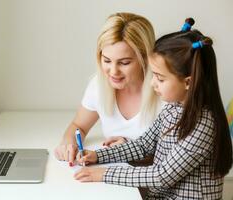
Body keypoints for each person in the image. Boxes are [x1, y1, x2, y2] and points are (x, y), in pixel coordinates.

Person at [74, 18, 233, 199]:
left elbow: (162, 175)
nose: (152, 83)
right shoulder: (173, 108)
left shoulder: (203, 125)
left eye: (160, 78)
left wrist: (104, 174)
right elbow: (143, 145)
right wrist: (98, 156)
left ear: (188, 82)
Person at [54, 13, 161, 165]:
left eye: (124, 63)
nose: (113, 71)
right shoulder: (99, 85)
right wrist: (68, 144)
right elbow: (79, 126)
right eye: (107, 60)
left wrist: (128, 149)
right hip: (112, 178)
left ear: (145, 58)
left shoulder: (165, 92)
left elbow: (180, 153)